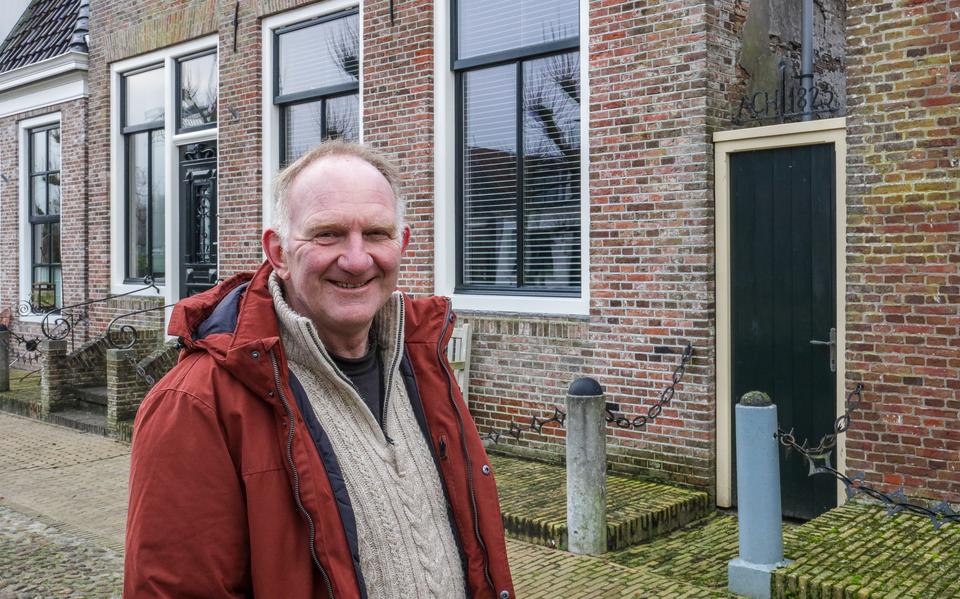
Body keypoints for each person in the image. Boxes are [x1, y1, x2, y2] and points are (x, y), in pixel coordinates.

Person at [124, 141, 515, 599]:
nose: (355, 260)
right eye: (327, 234)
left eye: (376, 233)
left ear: (402, 244)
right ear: (279, 252)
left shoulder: (426, 362)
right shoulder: (195, 405)